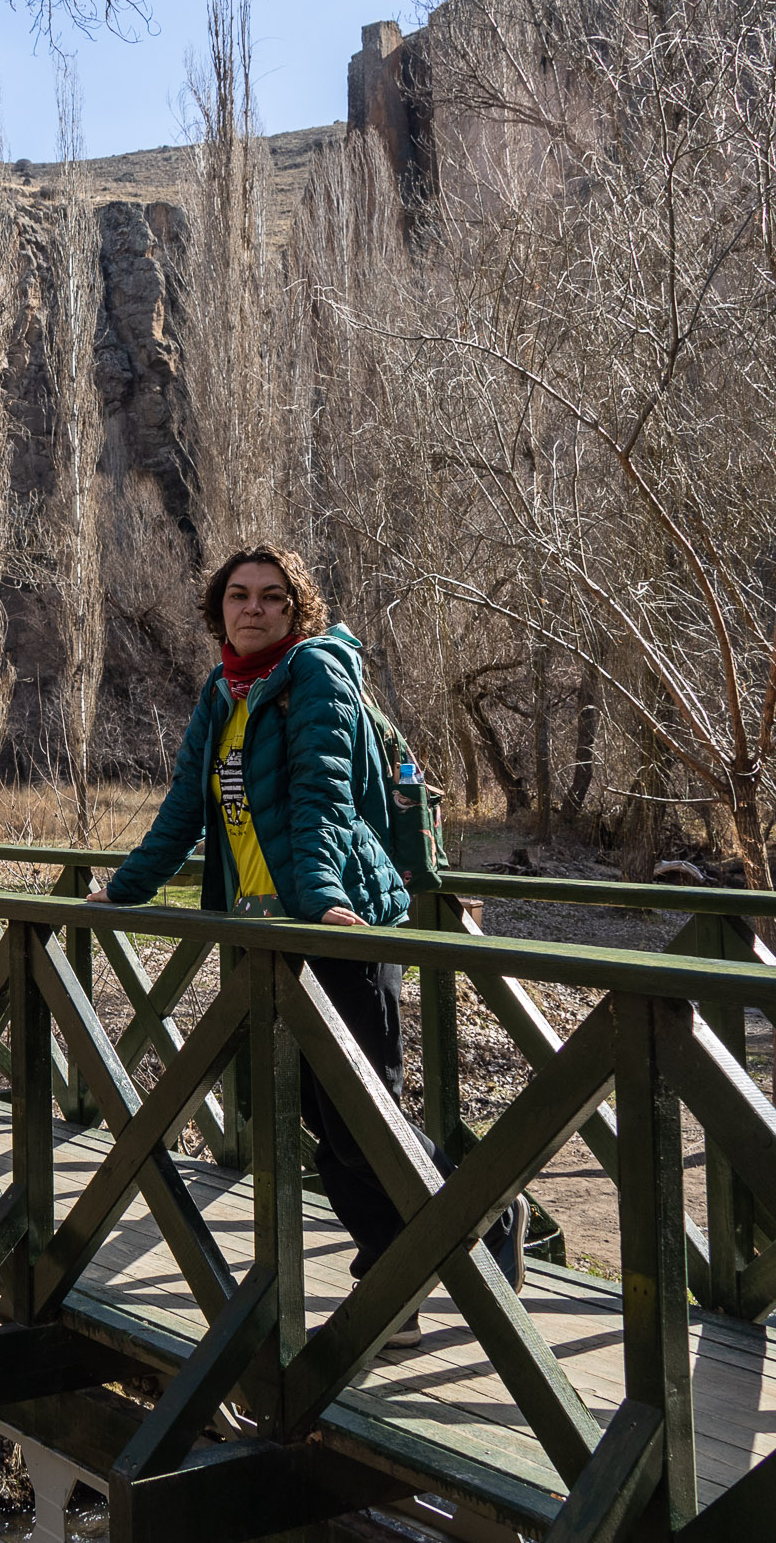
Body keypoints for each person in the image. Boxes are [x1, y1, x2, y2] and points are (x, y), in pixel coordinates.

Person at [89, 544, 509, 1339]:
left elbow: (322, 795)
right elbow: (184, 809)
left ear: (297, 608)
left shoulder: (316, 674)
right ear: (219, 611)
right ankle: (397, 1280)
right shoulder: (223, 693)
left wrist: (322, 903)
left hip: (340, 922)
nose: (254, 608)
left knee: (362, 1115)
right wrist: (124, 888)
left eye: (273, 597)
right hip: (269, 932)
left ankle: (486, 1217)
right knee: (325, 1114)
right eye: (240, 596)